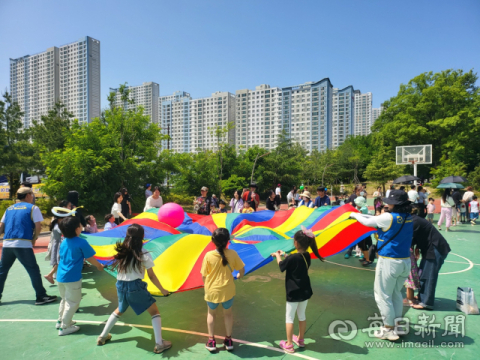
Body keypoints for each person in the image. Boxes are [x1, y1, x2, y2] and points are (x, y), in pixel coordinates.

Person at [97, 224, 172, 353]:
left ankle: (103, 336)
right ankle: (159, 343)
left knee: (120, 309)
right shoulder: (143, 254)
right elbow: (152, 276)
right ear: (142, 237)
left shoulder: (122, 251)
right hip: (135, 286)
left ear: (127, 236)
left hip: (120, 285)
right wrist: (163, 290)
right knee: (154, 312)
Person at [349, 190, 413, 341]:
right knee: (396, 293)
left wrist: (354, 215)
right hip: (404, 261)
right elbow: (374, 218)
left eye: (389, 201)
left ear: (395, 204)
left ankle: (388, 329)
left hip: (389, 261)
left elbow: (368, 222)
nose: (386, 203)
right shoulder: (407, 217)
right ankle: (398, 325)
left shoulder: (388, 217)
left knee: (382, 295)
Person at [0, 187, 57, 305]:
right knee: (33, 270)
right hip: (22, 243)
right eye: (32, 194)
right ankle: (41, 296)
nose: (33, 196)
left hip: (7, 243)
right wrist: (34, 238)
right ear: (27, 195)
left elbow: (1, 226)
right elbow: (38, 226)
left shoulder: (9, 209)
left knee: (2, 271)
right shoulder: (33, 208)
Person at [271, 227, 324, 354]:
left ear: (296, 243)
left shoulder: (292, 258)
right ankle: (300, 339)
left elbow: (282, 266)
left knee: (289, 317)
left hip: (293, 292)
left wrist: (278, 256)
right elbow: (295, 260)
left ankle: (289, 344)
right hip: (304, 291)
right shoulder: (306, 256)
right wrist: (285, 255)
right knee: (302, 315)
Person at [56, 216, 104, 335]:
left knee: (65, 299)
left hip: (61, 276)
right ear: (77, 228)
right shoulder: (81, 242)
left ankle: (61, 321)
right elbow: (90, 257)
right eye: (80, 225)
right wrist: (99, 266)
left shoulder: (64, 241)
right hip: (72, 277)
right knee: (73, 302)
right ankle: (65, 327)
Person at [201, 228, 245, 352]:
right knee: (228, 314)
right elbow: (241, 270)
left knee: (211, 314)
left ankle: (211, 341)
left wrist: (207, 287)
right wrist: (239, 276)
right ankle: (229, 339)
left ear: (213, 241)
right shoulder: (232, 254)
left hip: (212, 290)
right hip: (228, 290)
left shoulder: (208, 255)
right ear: (228, 241)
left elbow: (204, 275)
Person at [410, 214, 451, 310]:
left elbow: (409, 239)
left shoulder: (413, 221)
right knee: (424, 273)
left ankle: (426, 303)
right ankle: (422, 296)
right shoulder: (414, 220)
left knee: (429, 275)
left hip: (435, 248)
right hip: (429, 248)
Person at [44, 200, 71, 284]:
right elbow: (64, 234)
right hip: (59, 244)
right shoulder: (57, 226)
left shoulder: (56, 225)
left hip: (58, 244)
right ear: (60, 218)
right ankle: (50, 275)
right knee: (60, 261)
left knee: (59, 261)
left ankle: (53, 275)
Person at [354, 196, 373, 266]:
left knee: (364, 244)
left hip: (364, 230)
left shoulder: (364, 209)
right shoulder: (358, 208)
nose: (356, 204)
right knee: (360, 244)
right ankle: (365, 257)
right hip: (360, 230)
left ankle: (367, 260)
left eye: (357, 203)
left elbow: (360, 215)